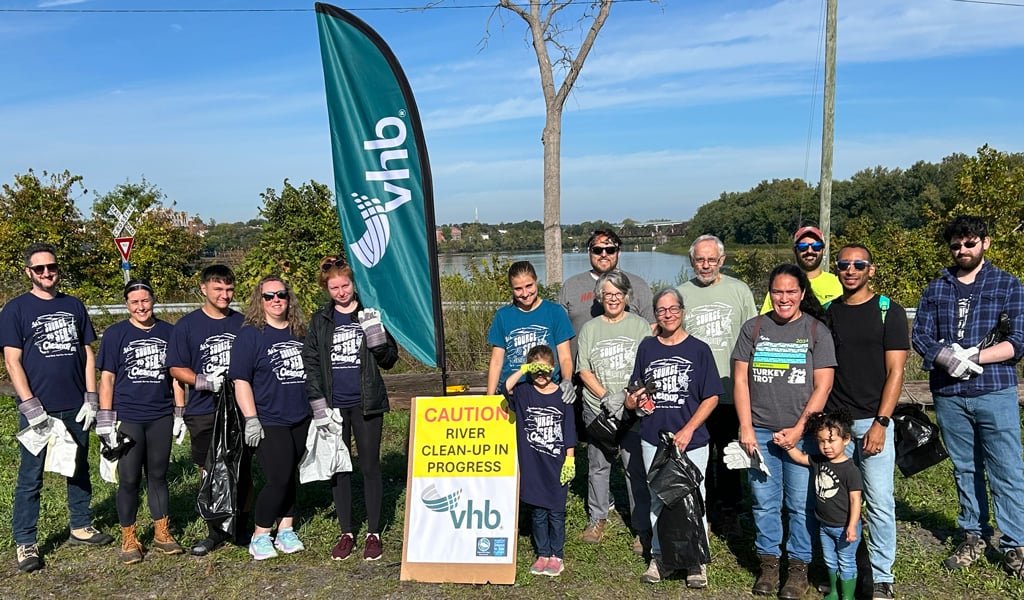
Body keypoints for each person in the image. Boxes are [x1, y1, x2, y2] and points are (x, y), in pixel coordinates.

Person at [912, 215, 1024, 581]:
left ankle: (1015, 545)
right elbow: (921, 336)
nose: (962, 250)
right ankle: (973, 536)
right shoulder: (936, 288)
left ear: (985, 243)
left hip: (995, 389)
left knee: (1006, 469)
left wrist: (975, 356)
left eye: (969, 243)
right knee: (965, 468)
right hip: (949, 392)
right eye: (956, 245)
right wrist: (946, 357)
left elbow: (1017, 341)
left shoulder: (1008, 285)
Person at [1, 242, 114, 573]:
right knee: (30, 476)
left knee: (78, 467)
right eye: (40, 269)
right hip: (39, 409)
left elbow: (88, 352)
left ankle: (81, 525)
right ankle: (25, 541)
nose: (47, 273)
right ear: (29, 273)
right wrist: (29, 403)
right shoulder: (16, 309)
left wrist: (91, 396)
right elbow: (12, 359)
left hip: (75, 404)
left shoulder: (73, 305)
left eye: (51, 267)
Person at [733, 263, 837, 599]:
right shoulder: (754, 328)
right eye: (777, 291)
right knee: (764, 501)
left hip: (802, 435)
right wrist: (746, 426)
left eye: (791, 291)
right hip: (760, 431)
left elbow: (823, 386)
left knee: (799, 503)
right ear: (770, 294)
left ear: (802, 294)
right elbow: (739, 381)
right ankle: (768, 565)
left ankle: (798, 570)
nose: (784, 298)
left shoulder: (816, 331)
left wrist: (799, 430)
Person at [825, 244, 908, 600]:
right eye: (844, 264)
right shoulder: (829, 312)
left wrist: (882, 422)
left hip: (873, 423)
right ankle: (843, 569)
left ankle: (882, 576)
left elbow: (896, 371)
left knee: (878, 501)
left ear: (871, 270)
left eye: (859, 264)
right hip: (836, 426)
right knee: (836, 500)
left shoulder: (889, 311)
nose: (851, 270)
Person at [625, 288, 722, 589]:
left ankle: (696, 562)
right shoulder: (647, 348)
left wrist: (689, 429)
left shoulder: (699, 350)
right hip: (654, 437)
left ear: (682, 310)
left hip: (691, 440)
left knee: (695, 498)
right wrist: (633, 402)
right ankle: (660, 557)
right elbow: (634, 392)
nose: (668, 315)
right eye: (661, 310)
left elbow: (712, 396)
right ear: (655, 314)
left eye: (673, 309)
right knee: (658, 498)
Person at [303, 256, 398, 561]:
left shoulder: (371, 313)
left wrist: (378, 340)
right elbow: (312, 363)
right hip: (333, 406)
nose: (341, 292)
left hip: (366, 402)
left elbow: (389, 359)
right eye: (334, 287)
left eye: (345, 285)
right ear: (326, 288)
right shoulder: (320, 320)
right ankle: (346, 532)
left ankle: (373, 532)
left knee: (370, 467)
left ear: (354, 284)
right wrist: (318, 404)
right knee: (339, 469)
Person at [96, 279, 187, 564]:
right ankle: (129, 538)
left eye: (145, 301)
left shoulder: (169, 332)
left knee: (158, 476)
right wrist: (105, 420)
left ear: (153, 300)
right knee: (130, 479)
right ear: (127, 305)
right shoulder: (115, 334)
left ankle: (162, 533)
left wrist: (180, 413)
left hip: (160, 415)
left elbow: (175, 376)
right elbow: (107, 379)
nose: (141, 307)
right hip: (128, 418)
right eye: (134, 302)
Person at [677, 234, 757, 537]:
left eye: (711, 259)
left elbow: (753, 337)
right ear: (692, 261)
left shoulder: (739, 290)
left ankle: (729, 512)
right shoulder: (681, 294)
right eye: (700, 259)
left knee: (727, 454)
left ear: (721, 260)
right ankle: (700, 508)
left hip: (729, 388)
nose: (706, 265)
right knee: (697, 453)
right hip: (693, 392)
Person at [166, 264, 246, 556]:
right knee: (209, 470)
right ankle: (214, 529)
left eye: (229, 289)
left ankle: (241, 524)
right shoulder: (187, 326)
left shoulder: (243, 322)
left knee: (241, 466)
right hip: (203, 408)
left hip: (239, 407)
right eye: (218, 289)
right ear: (204, 289)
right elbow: (175, 367)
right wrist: (202, 381)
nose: (225, 295)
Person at [231, 275, 311, 560]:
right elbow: (241, 380)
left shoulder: (301, 331)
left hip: (301, 415)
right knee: (277, 477)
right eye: (269, 296)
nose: (276, 300)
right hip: (268, 418)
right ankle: (260, 534)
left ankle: (286, 528)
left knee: (291, 473)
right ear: (260, 301)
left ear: (289, 298)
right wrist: (251, 418)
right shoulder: (251, 335)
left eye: (281, 294)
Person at [575, 271, 652, 548]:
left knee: (635, 468)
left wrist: (627, 398)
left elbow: (647, 368)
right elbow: (583, 369)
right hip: (599, 409)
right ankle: (597, 518)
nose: (614, 299)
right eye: (608, 294)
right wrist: (606, 396)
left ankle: (642, 526)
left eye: (619, 294)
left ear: (626, 296)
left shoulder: (641, 326)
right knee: (598, 465)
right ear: (600, 297)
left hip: (631, 409)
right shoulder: (590, 329)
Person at [503, 344, 577, 577]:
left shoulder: (562, 395)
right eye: (536, 371)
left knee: (555, 512)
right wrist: (524, 369)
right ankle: (542, 553)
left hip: (556, 464)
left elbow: (569, 429)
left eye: (545, 371)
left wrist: (570, 460)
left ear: (554, 369)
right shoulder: (524, 392)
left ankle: (557, 555)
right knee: (537, 513)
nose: (541, 376)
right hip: (533, 464)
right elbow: (504, 388)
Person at [780, 411, 863, 600]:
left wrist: (852, 526)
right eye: (821, 441)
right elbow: (800, 457)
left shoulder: (851, 470)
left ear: (846, 440)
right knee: (830, 561)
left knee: (846, 561)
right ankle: (834, 591)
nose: (826, 447)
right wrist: (786, 444)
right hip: (825, 525)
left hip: (844, 527)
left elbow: (855, 500)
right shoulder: (819, 460)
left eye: (831, 441)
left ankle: (847, 596)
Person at [559, 228, 655, 357]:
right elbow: (560, 333)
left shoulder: (638, 285)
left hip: (628, 373)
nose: (604, 254)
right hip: (580, 373)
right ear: (589, 251)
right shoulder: (571, 286)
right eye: (597, 250)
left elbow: (653, 328)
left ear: (618, 252)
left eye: (610, 250)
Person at [486, 261, 574, 398]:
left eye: (529, 286)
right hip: (511, 392)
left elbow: (565, 357)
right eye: (518, 289)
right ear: (511, 288)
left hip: (546, 390)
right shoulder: (503, 315)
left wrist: (567, 380)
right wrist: (490, 398)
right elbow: (496, 361)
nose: (525, 293)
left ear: (536, 281)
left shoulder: (555, 312)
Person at [761, 226, 843, 312]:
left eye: (816, 246)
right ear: (795, 250)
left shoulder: (839, 283)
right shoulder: (781, 284)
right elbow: (766, 320)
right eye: (803, 247)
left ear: (823, 250)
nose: (810, 251)